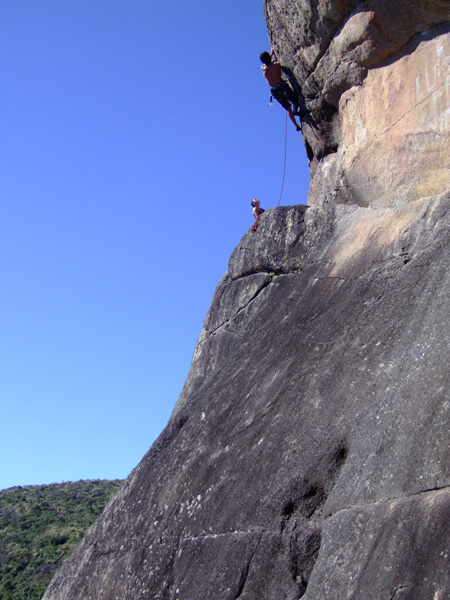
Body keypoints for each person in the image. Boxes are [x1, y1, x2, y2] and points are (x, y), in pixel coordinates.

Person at [260, 49, 301, 131]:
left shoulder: (264, 69)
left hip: (275, 91)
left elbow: (266, 64)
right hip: (282, 87)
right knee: (295, 100)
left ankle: (296, 125)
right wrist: (271, 54)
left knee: (287, 108)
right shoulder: (276, 64)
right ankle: (295, 110)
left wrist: (270, 55)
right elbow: (274, 65)